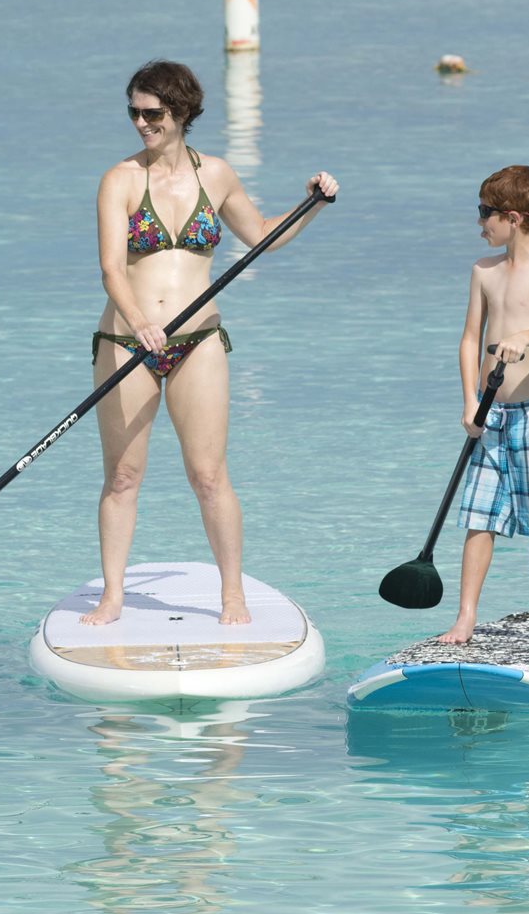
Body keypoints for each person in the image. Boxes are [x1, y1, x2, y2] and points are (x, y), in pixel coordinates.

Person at [84, 60, 338, 626]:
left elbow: (264, 239)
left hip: (197, 339)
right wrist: (138, 322)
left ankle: (233, 596)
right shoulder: (120, 179)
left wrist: (313, 204)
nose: (141, 124)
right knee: (123, 476)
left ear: (182, 113)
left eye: (153, 114)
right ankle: (113, 597)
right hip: (128, 341)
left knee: (208, 475)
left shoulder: (216, 175)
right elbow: (110, 269)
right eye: (134, 112)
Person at [436, 165, 529, 647]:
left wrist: (523, 338)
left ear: (512, 218)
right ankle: (465, 618)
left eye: (485, 213)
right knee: (478, 516)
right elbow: (469, 339)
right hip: (490, 414)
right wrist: (470, 402)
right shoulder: (484, 271)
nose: (480, 224)